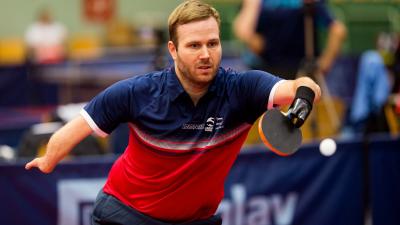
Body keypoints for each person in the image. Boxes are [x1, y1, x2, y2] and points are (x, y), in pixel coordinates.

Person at [25, 1, 321, 224]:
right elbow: (79, 125)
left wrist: (302, 103)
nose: (205, 54)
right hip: (127, 216)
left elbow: (300, 85)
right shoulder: (136, 92)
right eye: (194, 45)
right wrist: (49, 160)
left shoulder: (243, 89)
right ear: (173, 50)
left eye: (212, 43)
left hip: (195, 220)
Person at [233, 0, 347, 79]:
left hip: (302, 72)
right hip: (268, 70)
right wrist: (254, 41)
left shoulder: (310, 3)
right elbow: (242, 30)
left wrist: (325, 63)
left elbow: (337, 30)